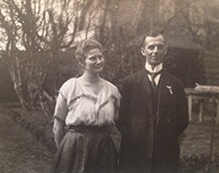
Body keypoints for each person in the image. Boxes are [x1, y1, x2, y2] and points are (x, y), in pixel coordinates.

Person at [118, 30, 189, 173]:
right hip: (135, 151)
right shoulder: (129, 83)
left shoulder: (176, 84)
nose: (155, 51)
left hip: (166, 152)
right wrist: (136, 137)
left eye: (160, 47)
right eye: (151, 47)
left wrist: (165, 136)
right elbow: (120, 118)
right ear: (143, 51)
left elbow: (182, 120)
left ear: (165, 50)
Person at [51, 39, 121, 173]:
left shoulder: (112, 90)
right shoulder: (70, 87)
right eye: (92, 58)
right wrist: (65, 152)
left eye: (100, 57)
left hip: (104, 149)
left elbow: (114, 122)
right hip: (75, 147)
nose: (99, 61)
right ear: (82, 62)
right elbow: (57, 126)